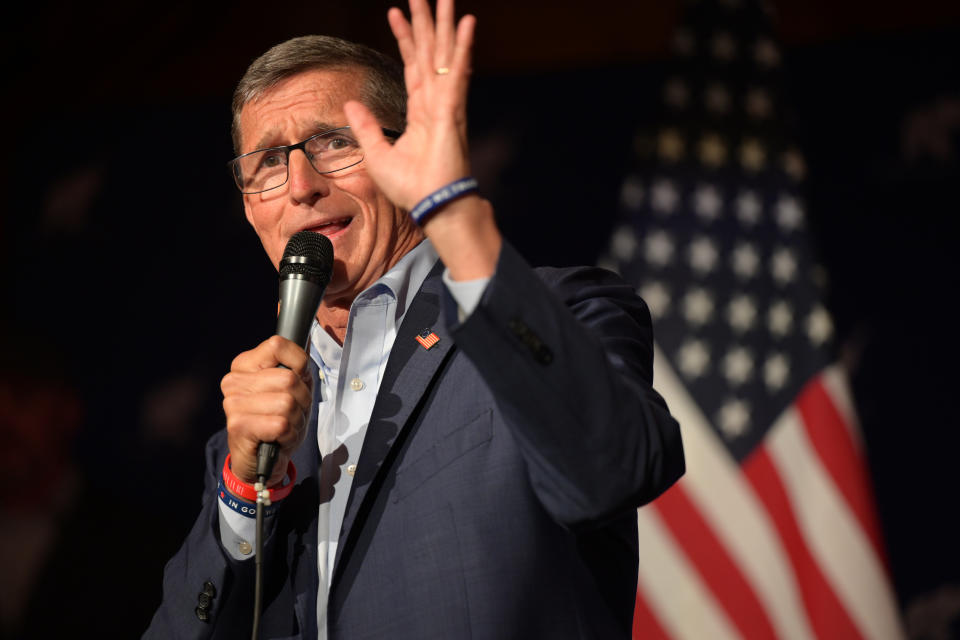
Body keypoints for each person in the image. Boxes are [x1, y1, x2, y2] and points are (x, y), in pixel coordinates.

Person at [144, 0, 684, 637]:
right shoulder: (260, 428)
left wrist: (451, 211)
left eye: (336, 142)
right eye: (266, 163)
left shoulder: (557, 311)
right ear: (247, 209)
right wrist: (241, 490)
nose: (299, 185)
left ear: (409, 156)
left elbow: (616, 468)